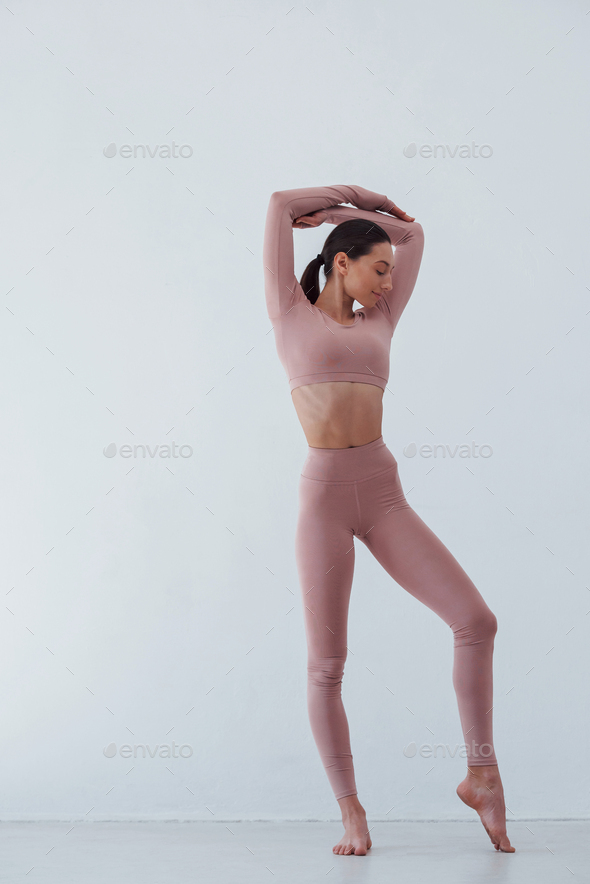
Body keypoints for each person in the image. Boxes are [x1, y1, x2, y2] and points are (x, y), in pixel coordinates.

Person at [262, 185, 515, 856]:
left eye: (390, 279)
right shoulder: (287, 309)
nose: (387, 284)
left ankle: (482, 774)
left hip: (382, 494)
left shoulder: (381, 320)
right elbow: (280, 204)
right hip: (323, 498)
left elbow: (414, 236)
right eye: (378, 271)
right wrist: (348, 200)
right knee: (326, 666)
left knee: (475, 622)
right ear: (340, 263)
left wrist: (357, 216)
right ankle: (351, 813)